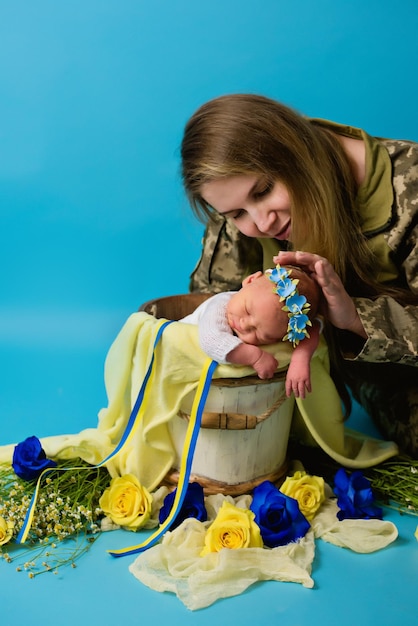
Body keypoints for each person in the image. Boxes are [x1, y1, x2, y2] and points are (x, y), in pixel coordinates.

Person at [180, 93, 418, 457]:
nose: (261, 222)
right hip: (300, 384)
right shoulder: (236, 202)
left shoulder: (409, 183)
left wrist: (357, 318)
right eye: (236, 214)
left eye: (264, 191)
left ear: (295, 151)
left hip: (398, 371)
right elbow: (212, 308)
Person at [181, 264, 322, 398]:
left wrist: (300, 358)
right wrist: (256, 357)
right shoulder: (220, 305)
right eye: (247, 310)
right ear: (250, 280)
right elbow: (211, 340)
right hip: (177, 351)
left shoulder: (268, 318)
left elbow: (314, 326)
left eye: (259, 334)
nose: (245, 325)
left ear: (276, 338)